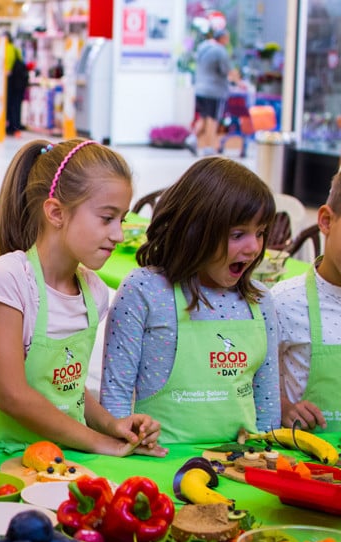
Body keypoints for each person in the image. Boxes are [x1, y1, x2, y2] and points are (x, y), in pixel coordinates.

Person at [0, 139, 164, 457]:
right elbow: (13, 396)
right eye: (107, 218)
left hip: (71, 456)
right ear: (56, 213)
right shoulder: (10, 279)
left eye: (123, 220)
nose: (118, 235)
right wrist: (99, 442)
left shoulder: (94, 291)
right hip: (11, 455)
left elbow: (66, 389)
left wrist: (110, 425)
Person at [100, 157, 278, 444]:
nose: (254, 247)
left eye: (260, 233)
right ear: (195, 230)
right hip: (158, 466)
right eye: (238, 234)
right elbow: (116, 403)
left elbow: (268, 410)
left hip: (241, 468)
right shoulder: (144, 290)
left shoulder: (260, 301)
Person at [272, 172, 341, 431]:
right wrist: (284, 408)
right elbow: (247, 385)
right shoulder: (284, 302)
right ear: (325, 220)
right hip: (303, 463)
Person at [188, 28, 232, 156]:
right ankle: (209, 148)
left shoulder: (203, 47)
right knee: (212, 119)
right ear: (222, 38)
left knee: (202, 117)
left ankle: (191, 139)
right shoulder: (220, 51)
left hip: (200, 89)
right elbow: (225, 70)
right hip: (214, 91)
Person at [4, 35, 28, 136]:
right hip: (19, 83)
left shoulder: (7, 48)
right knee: (17, 105)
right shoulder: (16, 49)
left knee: (10, 105)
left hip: (11, 83)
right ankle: (16, 126)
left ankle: (11, 127)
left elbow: (8, 69)